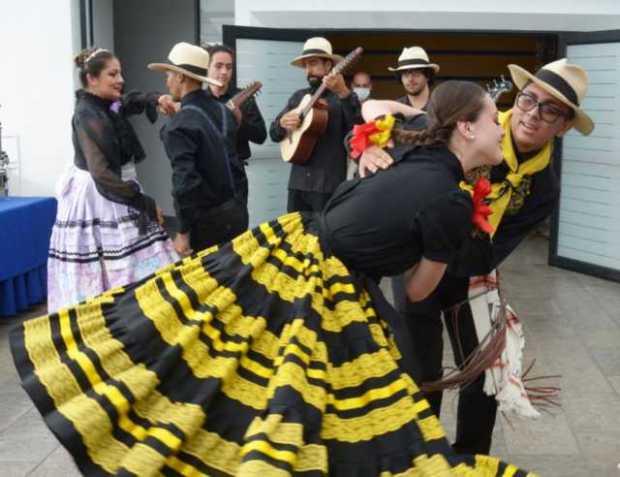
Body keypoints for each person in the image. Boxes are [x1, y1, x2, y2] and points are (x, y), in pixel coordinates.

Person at [11, 80, 538, 476]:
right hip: (324, 277)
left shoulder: (407, 151)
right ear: (466, 127)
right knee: (320, 380)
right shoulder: (449, 199)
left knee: (222, 352)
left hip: (291, 242)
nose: (503, 127)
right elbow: (419, 291)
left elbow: (376, 112)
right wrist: (442, 241)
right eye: (496, 119)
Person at [358, 58, 594, 455]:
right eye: (528, 100)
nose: (533, 115)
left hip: (473, 271)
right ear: (516, 100)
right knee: (423, 370)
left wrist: (456, 260)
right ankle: (421, 455)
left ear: (565, 125)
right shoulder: (471, 123)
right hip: (418, 261)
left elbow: (495, 247)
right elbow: (377, 111)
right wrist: (370, 144)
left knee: (484, 371)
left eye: (550, 110)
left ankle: (470, 457)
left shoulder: (544, 185)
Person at [46, 47, 179, 313]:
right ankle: (111, 319)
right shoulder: (87, 114)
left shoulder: (107, 105)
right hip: (101, 195)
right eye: (113, 74)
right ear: (92, 79)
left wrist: (156, 98)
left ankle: (133, 317)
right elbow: (102, 173)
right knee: (108, 266)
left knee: (132, 262)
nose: (120, 79)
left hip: (118, 188)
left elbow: (128, 101)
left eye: (120, 73)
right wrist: (144, 202)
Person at [149, 42, 248, 256]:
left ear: (181, 77)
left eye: (169, 74)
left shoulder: (180, 124)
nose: (167, 81)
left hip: (207, 223)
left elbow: (185, 182)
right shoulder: (223, 111)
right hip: (236, 213)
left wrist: (182, 232)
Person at [270, 37, 361, 213]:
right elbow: (273, 134)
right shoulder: (298, 97)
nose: (308, 70)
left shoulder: (344, 98)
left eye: (313, 64)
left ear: (329, 66)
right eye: (305, 65)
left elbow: (357, 127)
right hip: (298, 184)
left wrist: (343, 92)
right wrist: (281, 124)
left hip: (328, 185)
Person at [205, 43, 267, 206]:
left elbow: (261, 135)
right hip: (205, 175)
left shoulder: (244, 99)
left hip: (235, 175)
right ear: (207, 67)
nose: (224, 72)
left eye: (229, 67)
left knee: (237, 225)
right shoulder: (199, 99)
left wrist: (241, 122)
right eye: (218, 66)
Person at [389, 46, 439, 110]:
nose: (410, 79)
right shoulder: (395, 108)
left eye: (416, 73)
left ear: (428, 76)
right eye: (405, 75)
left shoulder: (440, 106)